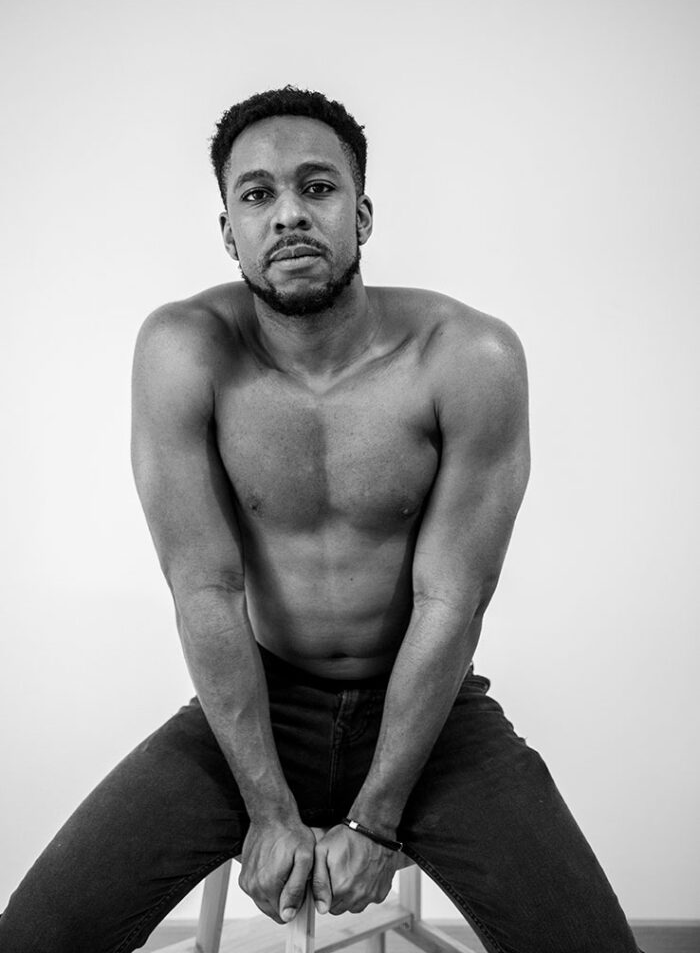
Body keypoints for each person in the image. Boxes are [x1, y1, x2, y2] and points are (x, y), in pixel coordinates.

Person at [0, 86, 643, 953]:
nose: (289, 214)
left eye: (317, 186)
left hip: (431, 710)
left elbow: (452, 599)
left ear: (361, 214)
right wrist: (266, 806)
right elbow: (205, 587)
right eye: (257, 194)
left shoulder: (467, 356)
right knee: (37, 934)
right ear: (228, 231)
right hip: (258, 702)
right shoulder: (184, 352)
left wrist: (377, 818)